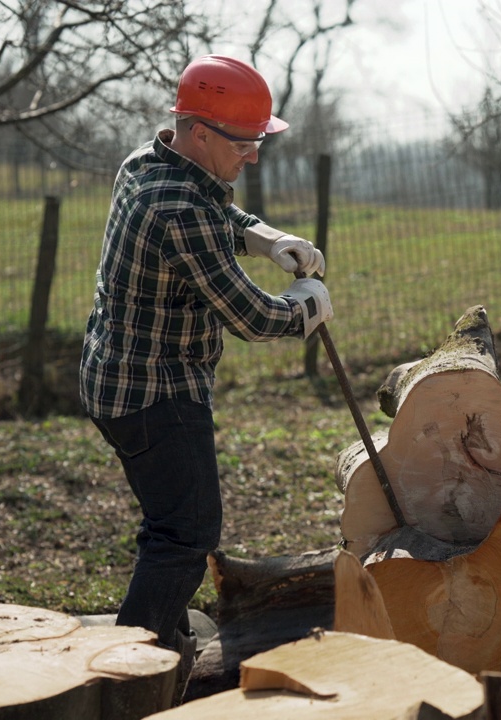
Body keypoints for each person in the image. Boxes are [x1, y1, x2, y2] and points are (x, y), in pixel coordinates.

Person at [79, 54, 331, 656]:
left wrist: (267, 238)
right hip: (154, 391)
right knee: (185, 533)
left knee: (174, 524)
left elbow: (217, 211)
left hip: (115, 375)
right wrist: (307, 305)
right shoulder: (179, 208)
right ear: (201, 133)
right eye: (245, 143)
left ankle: (163, 633)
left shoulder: (149, 160)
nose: (254, 154)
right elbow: (252, 317)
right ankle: (139, 663)